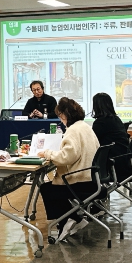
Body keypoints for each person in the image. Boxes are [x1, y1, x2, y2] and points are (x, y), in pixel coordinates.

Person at [38, 97, 100, 242]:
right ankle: (74, 218)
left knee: (47, 189)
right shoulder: (85, 126)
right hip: (92, 178)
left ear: (65, 115)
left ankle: (67, 220)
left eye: (60, 116)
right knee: (51, 188)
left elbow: (67, 157)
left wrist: (48, 154)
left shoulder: (73, 130)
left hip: (80, 181)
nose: (60, 120)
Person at [91, 92, 130, 159]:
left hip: (112, 158)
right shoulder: (116, 119)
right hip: (123, 155)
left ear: (96, 106)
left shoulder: (100, 122)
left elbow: (92, 141)